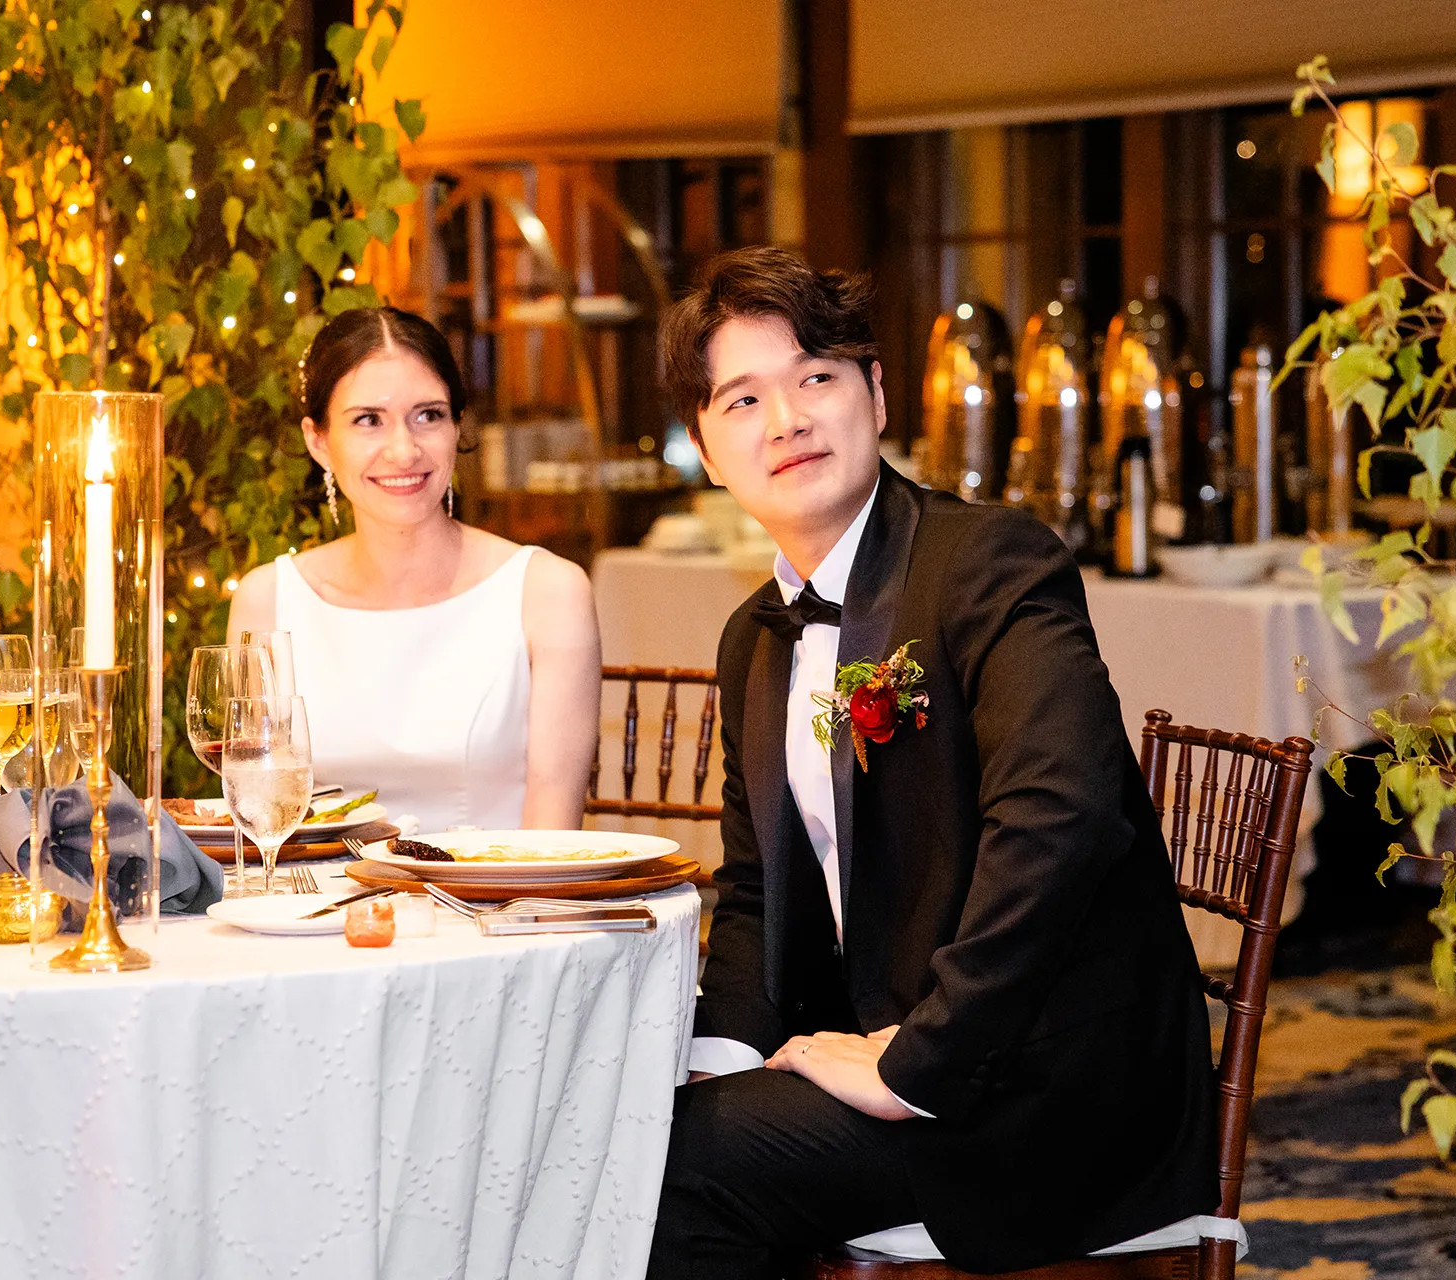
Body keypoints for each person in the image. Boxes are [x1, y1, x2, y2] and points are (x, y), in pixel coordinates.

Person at [649, 247, 1217, 1277]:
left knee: (667, 1170)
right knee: (623, 1126)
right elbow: (751, 891)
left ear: (873, 390)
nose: (787, 418)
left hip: (1042, 1091)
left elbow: (1063, 816)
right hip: (894, 1057)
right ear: (704, 445)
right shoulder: (755, 637)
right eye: (743, 398)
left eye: (815, 376)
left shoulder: (990, 559)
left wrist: (916, 1058)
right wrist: (710, 1056)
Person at [229, 306, 600, 832]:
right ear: (318, 442)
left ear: (458, 428)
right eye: (368, 420)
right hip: (313, 908)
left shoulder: (547, 591)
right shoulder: (267, 600)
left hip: (499, 904)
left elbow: (553, 830)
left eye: (428, 415)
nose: (404, 450)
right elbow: (259, 822)